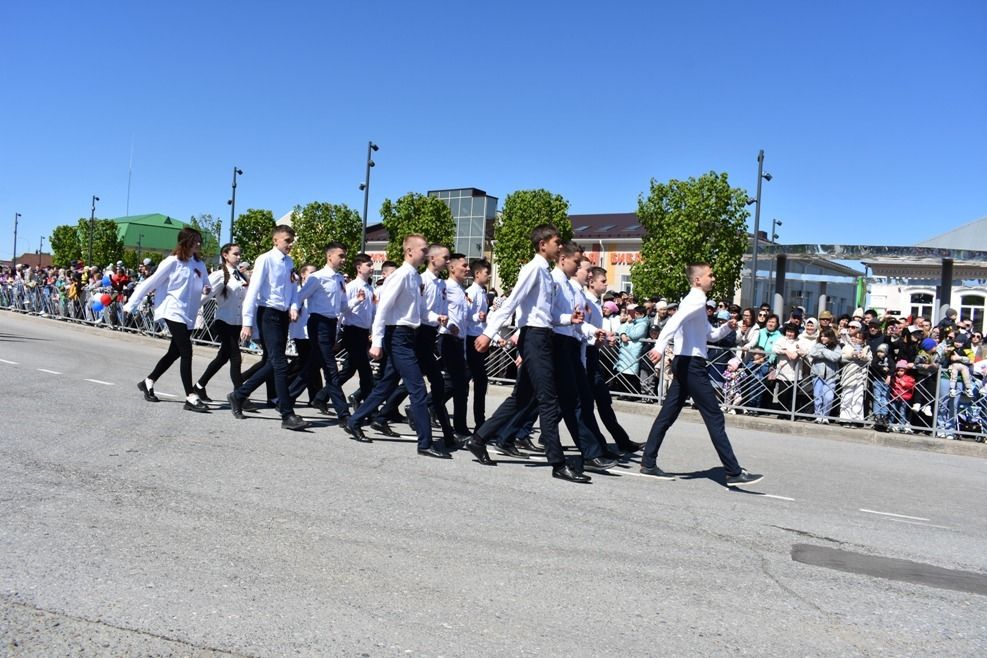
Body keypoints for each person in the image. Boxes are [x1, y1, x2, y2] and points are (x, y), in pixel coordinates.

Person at [466, 224, 590, 483]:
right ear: (543, 244)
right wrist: (489, 333)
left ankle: (478, 439)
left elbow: (548, 314)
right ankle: (558, 463)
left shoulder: (546, 272)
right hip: (533, 338)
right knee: (548, 399)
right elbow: (512, 302)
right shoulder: (533, 269)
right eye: (556, 241)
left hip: (542, 335)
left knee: (522, 398)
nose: (560, 245)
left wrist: (569, 318)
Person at [640, 263, 763, 487]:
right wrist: (658, 347)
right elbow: (674, 322)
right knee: (714, 416)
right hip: (691, 365)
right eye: (710, 275)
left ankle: (648, 462)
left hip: (685, 362)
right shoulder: (695, 300)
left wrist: (727, 327)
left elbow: (711, 335)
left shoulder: (696, 302)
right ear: (697, 280)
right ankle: (733, 471)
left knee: (668, 414)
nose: (713, 279)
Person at [344, 235, 450, 458]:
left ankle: (354, 421)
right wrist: (378, 340)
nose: (426, 253)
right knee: (417, 388)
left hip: (409, 334)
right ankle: (425, 443)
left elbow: (419, 311)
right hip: (398, 336)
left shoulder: (414, 277)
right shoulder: (400, 276)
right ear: (410, 251)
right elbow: (383, 309)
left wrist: (435, 317)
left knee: (386, 385)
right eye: (423, 249)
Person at [226, 224, 310, 431]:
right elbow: (253, 291)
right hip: (268, 313)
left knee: (273, 363)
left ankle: (238, 395)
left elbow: (292, 288)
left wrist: (292, 306)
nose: (290, 245)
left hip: (282, 316)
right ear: (275, 240)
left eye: (292, 241)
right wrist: (247, 322)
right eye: (287, 241)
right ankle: (287, 414)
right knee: (280, 364)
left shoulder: (289, 262)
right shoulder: (265, 259)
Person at [124, 227, 211, 413]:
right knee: (186, 351)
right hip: (173, 311)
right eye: (195, 240)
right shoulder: (172, 262)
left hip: (190, 314)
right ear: (185, 241)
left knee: (174, 353)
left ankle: (148, 381)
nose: (199, 244)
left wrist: (206, 288)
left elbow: (207, 283)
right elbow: (150, 282)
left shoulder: (199, 264)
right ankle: (191, 396)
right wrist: (131, 304)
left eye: (199, 240)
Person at [290, 242, 352, 422]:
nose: (343, 259)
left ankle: (286, 398)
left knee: (312, 365)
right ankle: (344, 414)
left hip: (331, 324)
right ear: (329, 256)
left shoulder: (339, 279)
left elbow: (342, 305)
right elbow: (300, 296)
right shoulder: (317, 277)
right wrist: (294, 309)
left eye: (344, 256)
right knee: (330, 369)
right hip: (318, 323)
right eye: (340, 256)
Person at [194, 243, 248, 402]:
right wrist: (189, 311)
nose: (238, 257)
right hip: (223, 321)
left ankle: (199, 385)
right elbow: (203, 296)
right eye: (235, 254)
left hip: (237, 323)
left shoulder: (239, 275)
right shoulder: (219, 275)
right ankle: (240, 396)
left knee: (222, 358)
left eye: (239, 254)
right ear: (225, 255)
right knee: (236, 358)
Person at [337, 253, 376, 410]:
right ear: (359, 268)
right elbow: (341, 309)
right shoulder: (352, 286)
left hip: (363, 332)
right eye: (369, 265)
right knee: (365, 372)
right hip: (352, 331)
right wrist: (356, 301)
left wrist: (373, 330)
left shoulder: (369, 288)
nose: (372, 268)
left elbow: (371, 312)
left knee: (348, 370)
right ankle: (369, 407)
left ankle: (322, 396)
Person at [439, 252, 471, 437]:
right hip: (448, 339)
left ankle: (459, 425)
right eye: (464, 266)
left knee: (460, 384)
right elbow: (439, 310)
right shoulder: (446, 287)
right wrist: (449, 326)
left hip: (459, 341)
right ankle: (429, 405)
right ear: (452, 268)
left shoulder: (460, 289)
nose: (467, 269)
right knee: (456, 383)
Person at [464, 259, 491, 431]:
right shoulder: (470, 292)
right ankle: (431, 404)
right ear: (477, 274)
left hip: (479, 339)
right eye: (486, 272)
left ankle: (480, 421)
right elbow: (464, 315)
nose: (488, 275)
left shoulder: (483, 292)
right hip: (470, 339)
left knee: (480, 381)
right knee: (461, 382)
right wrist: (477, 317)